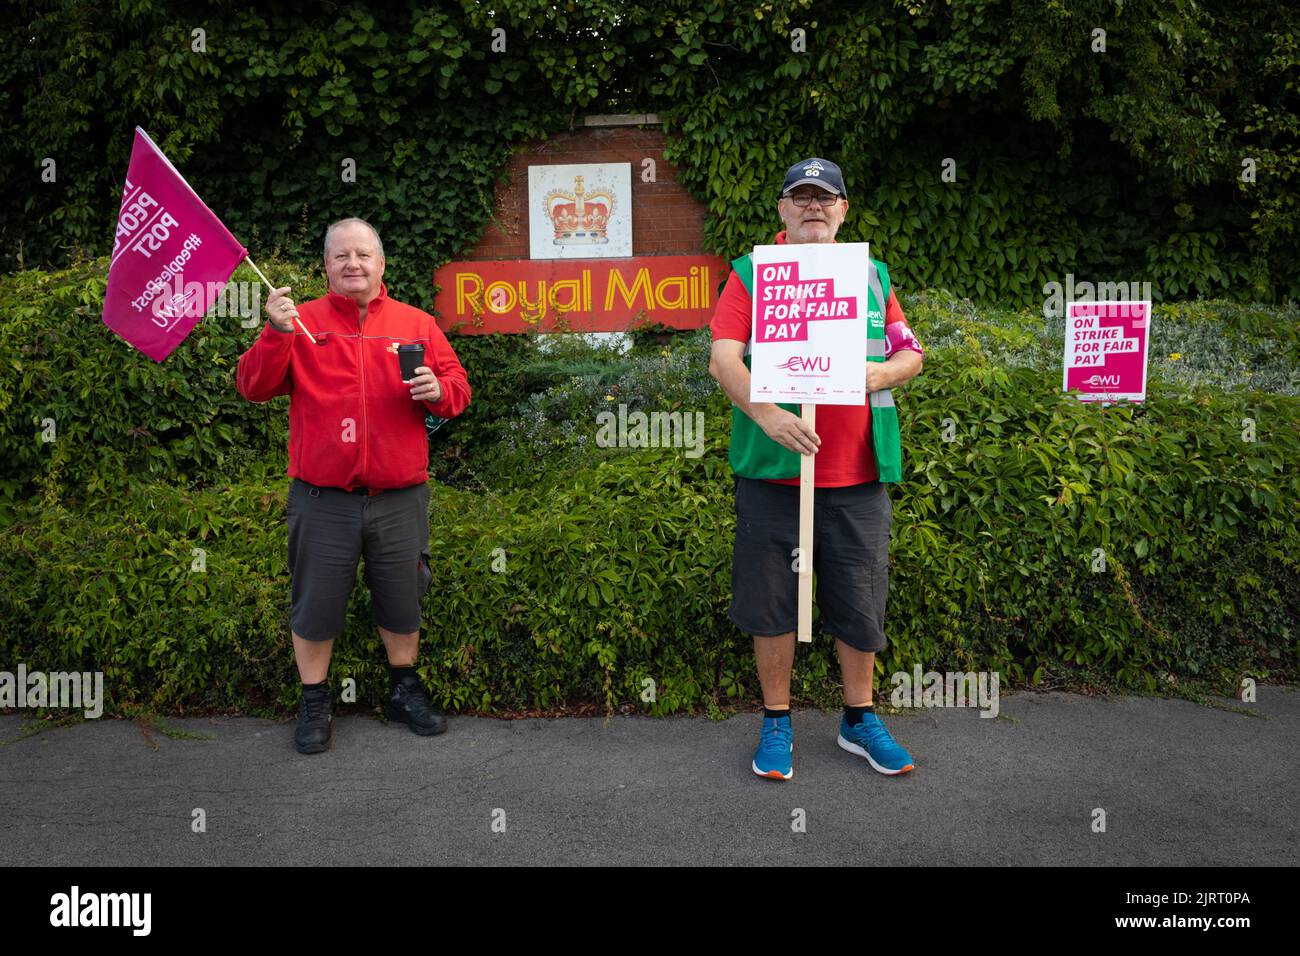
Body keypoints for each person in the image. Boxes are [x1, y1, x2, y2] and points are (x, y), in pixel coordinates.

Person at [708, 158, 925, 781]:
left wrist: (880, 372)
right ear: (781, 209)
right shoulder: (753, 274)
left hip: (857, 477)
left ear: (843, 210)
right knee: (770, 604)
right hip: (775, 478)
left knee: (861, 605)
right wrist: (768, 414)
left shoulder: (871, 276)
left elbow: (910, 353)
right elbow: (724, 358)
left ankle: (859, 720)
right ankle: (777, 720)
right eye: (799, 196)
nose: (812, 206)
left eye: (824, 197)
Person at [237, 217, 471, 754]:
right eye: (341, 256)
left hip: (398, 497)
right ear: (325, 267)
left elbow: (459, 390)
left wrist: (438, 389)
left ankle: (404, 690)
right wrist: (274, 332)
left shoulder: (417, 323)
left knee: (403, 596)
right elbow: (253, 386)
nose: (353, 264)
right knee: (316, 602)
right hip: (322, 499)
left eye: (363, 255)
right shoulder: (299, 323)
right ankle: (314, 698)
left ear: (381, 263)